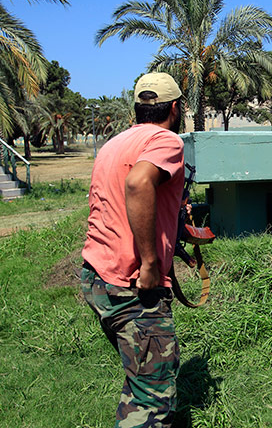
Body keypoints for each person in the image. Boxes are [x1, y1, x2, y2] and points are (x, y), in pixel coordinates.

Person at [81, 72, 185, 426]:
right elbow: (138, 183)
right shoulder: (165, 141)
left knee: (141, 377)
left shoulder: (114, 144)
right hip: (132, 284)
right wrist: (150, 261)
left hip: (97, 276)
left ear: (137, 109)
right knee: (153, 396)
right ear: (175, 108)